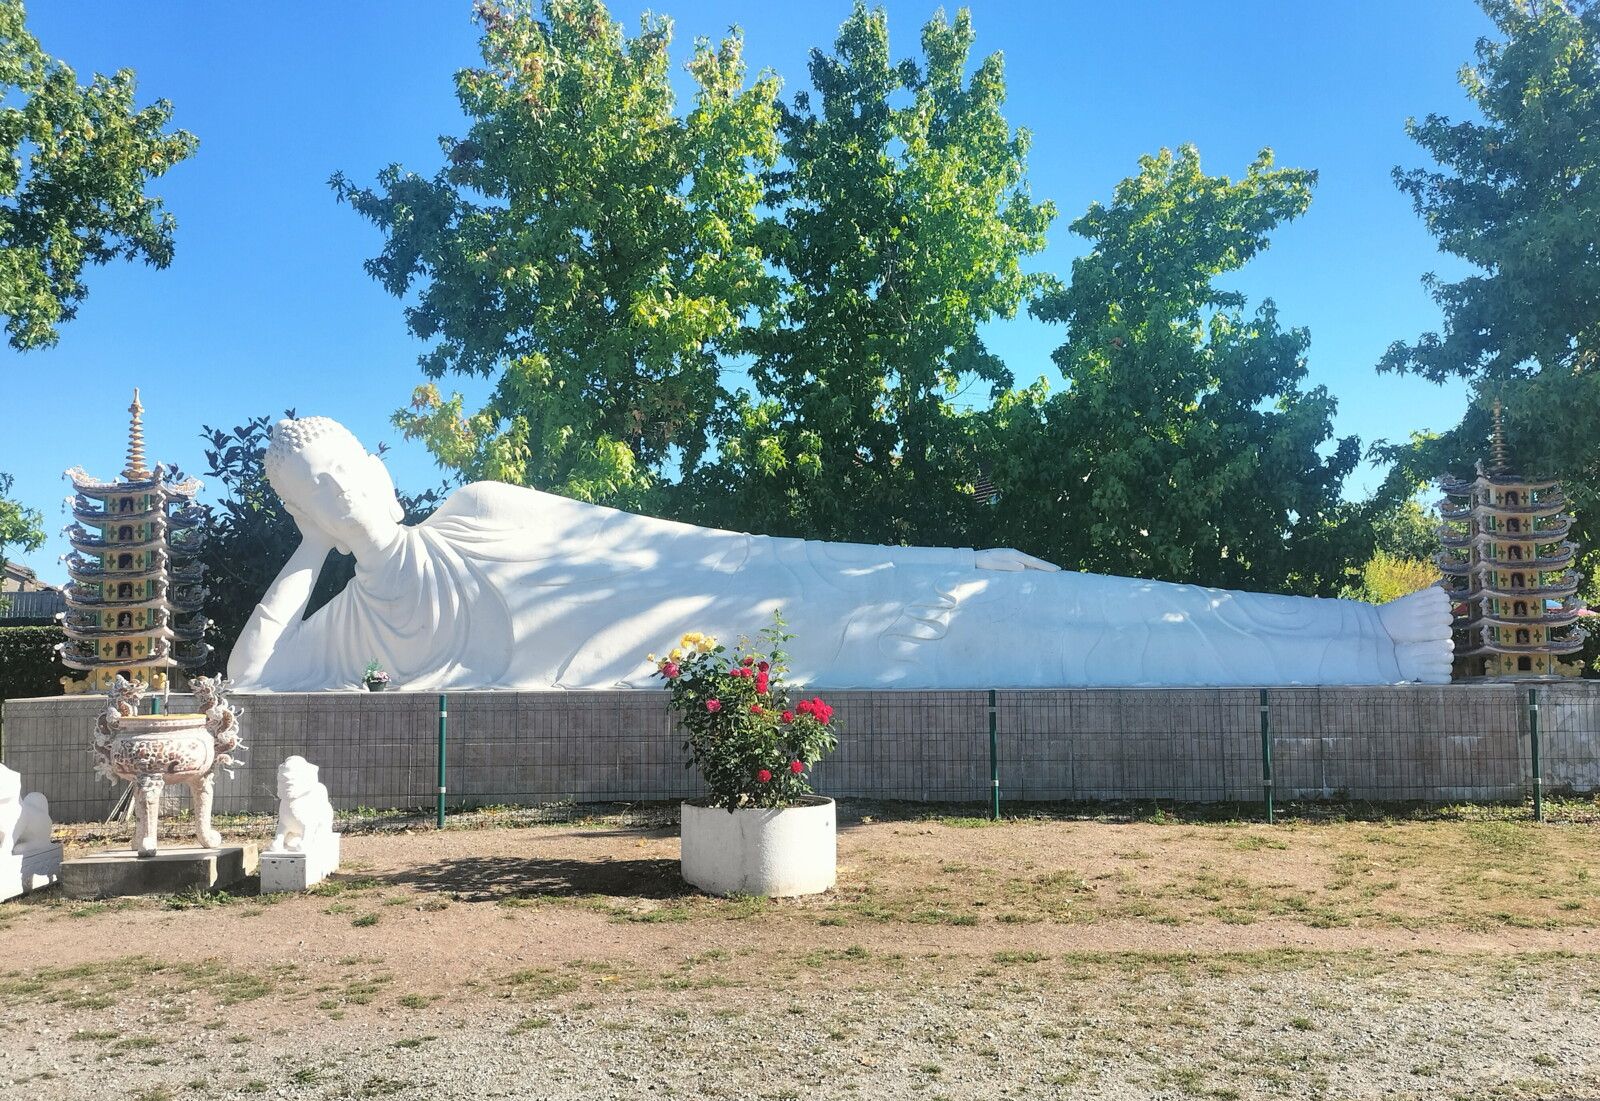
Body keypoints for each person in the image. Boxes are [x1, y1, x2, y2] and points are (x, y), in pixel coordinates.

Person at [228, 416, 1452, 691]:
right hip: (762, 656)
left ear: (378, 465)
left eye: (339, 473)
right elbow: (246, 685)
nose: (340, 497)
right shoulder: (361, 621)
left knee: (1040, 597)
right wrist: (304, 553)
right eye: (310, 496)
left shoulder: (484, 505)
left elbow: (694, 544)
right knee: (1049, 640)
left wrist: (924, 555)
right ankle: (1372, 653)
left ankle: (1372, 635)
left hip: (784, 589)